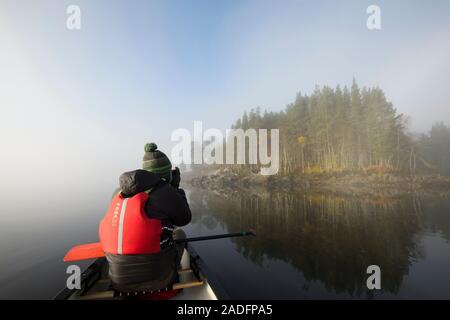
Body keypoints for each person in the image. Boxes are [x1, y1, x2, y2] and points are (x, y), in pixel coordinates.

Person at [99, 142, 192, 293]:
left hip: (118, 282)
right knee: (179, 234)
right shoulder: (165, 191)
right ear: (165, 174)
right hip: (160, 280)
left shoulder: (119, 192)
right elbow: (184, 219)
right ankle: (175, 270)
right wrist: (176, 189)